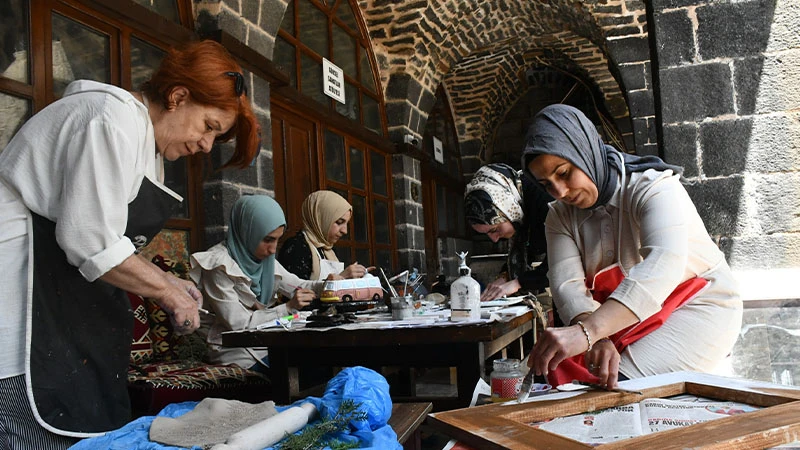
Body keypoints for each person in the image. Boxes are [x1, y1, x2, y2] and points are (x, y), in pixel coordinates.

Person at [0, 40, 260, 447]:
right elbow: (88, 239)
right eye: (208, 126)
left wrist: (172, 284)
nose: (206, 145)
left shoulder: (143, 143)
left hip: (61, 310)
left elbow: (111, 241)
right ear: (178, 96)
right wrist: (171, 297)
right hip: (22, 306)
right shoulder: (110, 118)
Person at [522, 104, 742, 389]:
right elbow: (567, 286)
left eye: (564, 173)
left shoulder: (653, 187)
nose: (560, 192)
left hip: (699, 305)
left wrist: (588, 333)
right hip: (620, 322)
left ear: (585, 150)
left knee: (617, 386)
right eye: (546, 184)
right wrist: (597, 338)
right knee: (580, 382)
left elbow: (663, 264)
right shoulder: (559, 215)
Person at [190, 195, 325, 371]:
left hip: (266, 342)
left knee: (321, 362)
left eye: (277, 240)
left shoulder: (265, 261)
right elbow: (239, 325)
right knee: (307, 369)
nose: (273, 249)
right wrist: (287, 308)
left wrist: (331, 285)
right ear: (247, 232)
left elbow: (298, 285)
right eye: (268, 240)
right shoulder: (219, 266)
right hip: (234, 349)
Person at [464, 163, 554, 301]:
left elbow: (559, 264)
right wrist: (505, 277)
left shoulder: (545, 200)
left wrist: (517, 283)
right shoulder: (519, 207)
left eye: (494, 229)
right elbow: (526, 252)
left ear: (508, 207)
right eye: (487, 234)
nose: (494, 239)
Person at [278, 190, 371, 280]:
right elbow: (295, 291)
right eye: (339, 222)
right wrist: (343, 277)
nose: (345, 231)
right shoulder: (296, 247)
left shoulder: (328, 249)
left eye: (346, 224)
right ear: (320, 219)